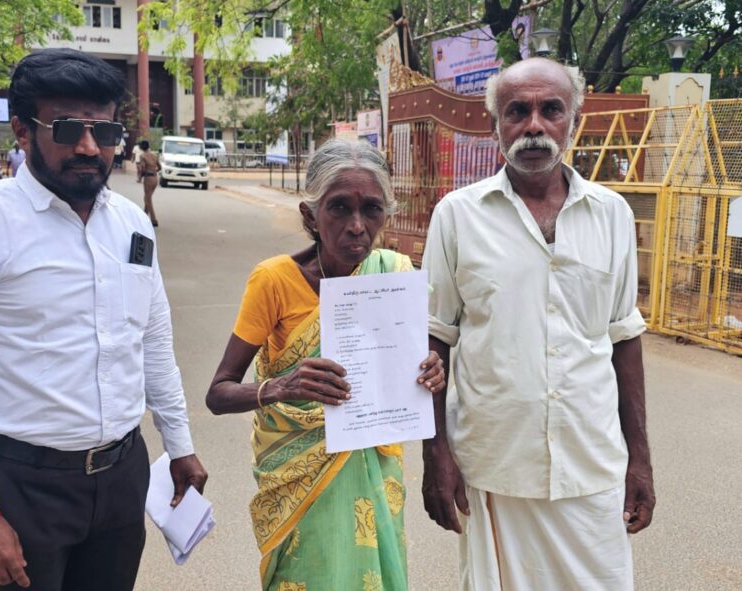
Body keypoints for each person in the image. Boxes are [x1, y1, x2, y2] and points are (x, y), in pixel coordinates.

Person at [0, 48, 207, 591]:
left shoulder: (132, 225)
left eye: (104, 130)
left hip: (123, 474)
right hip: (25, 485)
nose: (89, 146)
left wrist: (178, 444)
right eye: (67, 128)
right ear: (22, 130)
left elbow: (153, 340)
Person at [421, 57, 655, 590]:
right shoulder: (457, 216)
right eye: (516, 112)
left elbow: (623, 337)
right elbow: (434, 337)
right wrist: (435, 454)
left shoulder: (612, 214)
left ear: (574, 119)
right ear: (494, 125)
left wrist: (640, 459)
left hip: (591, 461)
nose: (534, 126)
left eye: (551, 110)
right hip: (493, 463)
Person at [206, 139, 446, 590]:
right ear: (310, 215)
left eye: (371, 209)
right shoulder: (274, 280)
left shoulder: (394, 275)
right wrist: (282, 387)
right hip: (300, 481)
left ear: (386, 214)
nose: (356, 226)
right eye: (339, 208)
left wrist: (430, 371)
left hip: (373, 469)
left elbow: (409, 371)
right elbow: (218, 393)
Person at [138, 140, 160, 226]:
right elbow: (160, 167)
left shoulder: (142, 156)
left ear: (141, 147)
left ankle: (153, 219)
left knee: (147, 199)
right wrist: (154, 171)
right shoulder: (155, 155)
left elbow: (142, 168)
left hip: (148, 178)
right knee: (148, 197)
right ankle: (144, 216)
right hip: (155, 178)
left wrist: (140, 177)